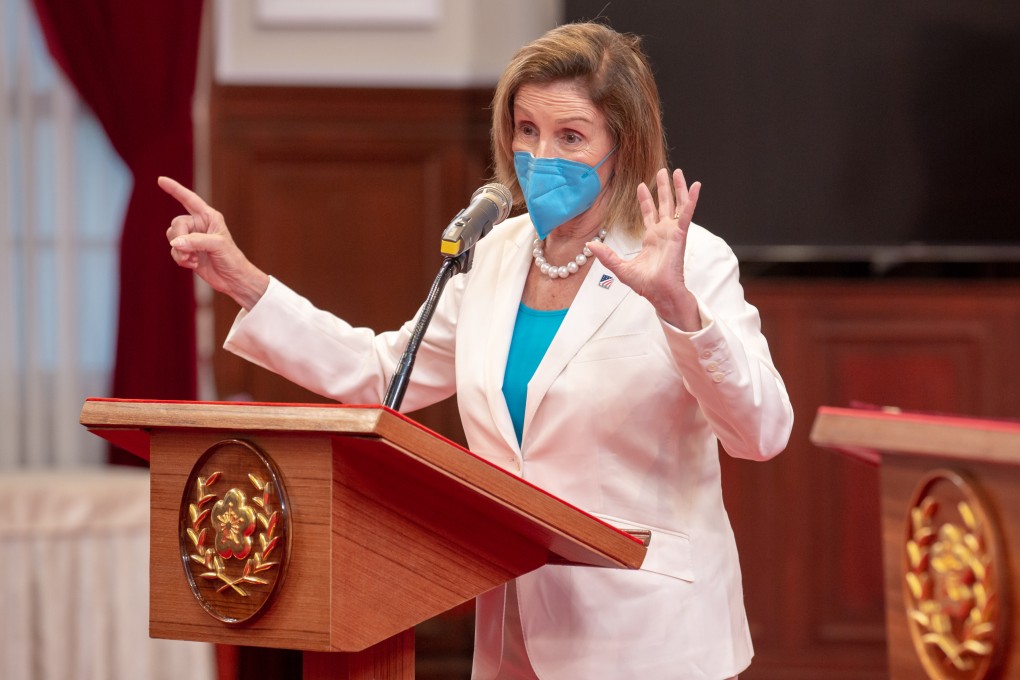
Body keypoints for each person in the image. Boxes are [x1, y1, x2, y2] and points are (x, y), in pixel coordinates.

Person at [161, 21, 793, 680]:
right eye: (526, 130)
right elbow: (384, 375)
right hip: (510, 626)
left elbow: (761, 432)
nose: (540, 154)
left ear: (623, 146)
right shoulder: (493, 255)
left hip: (644, 636)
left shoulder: (690, 262)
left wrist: (678, 309)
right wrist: (245, 282)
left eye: (570, 136)